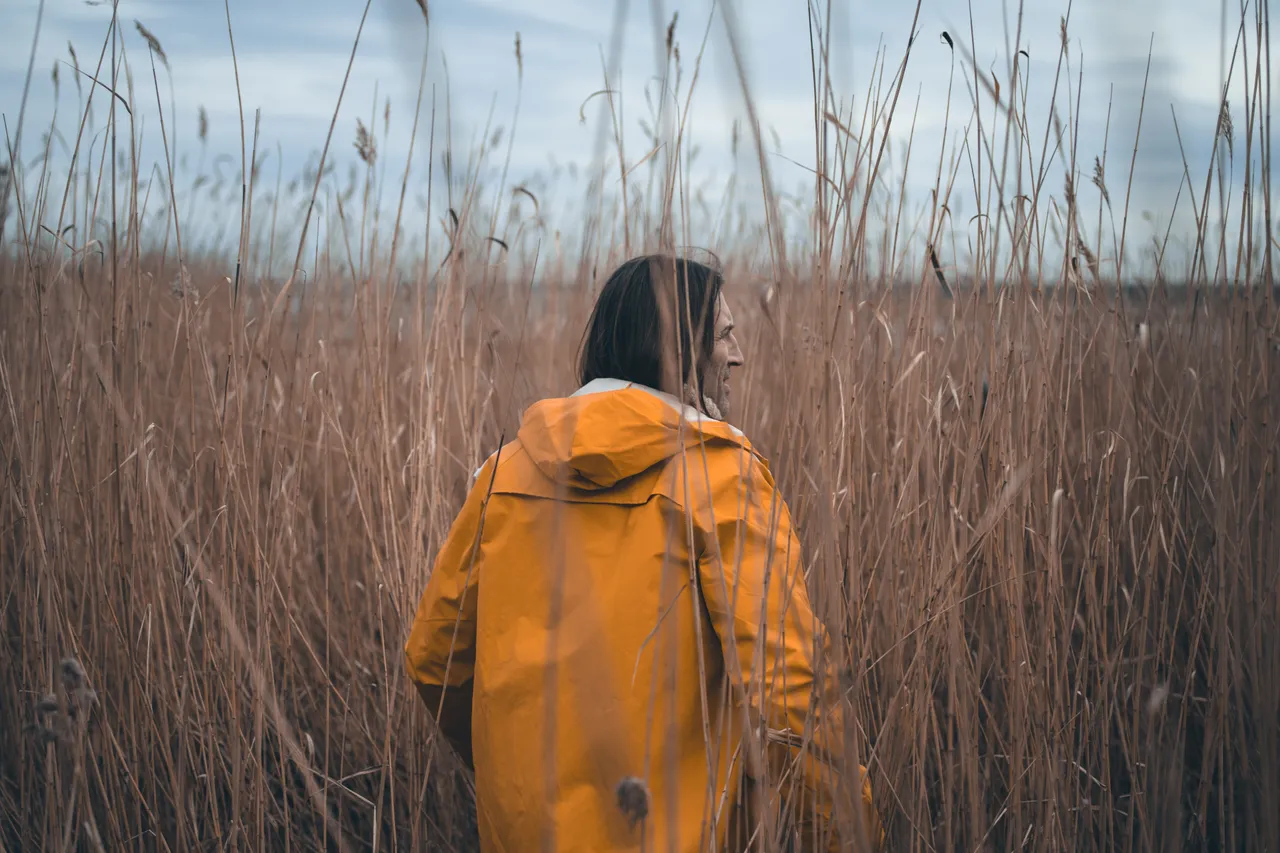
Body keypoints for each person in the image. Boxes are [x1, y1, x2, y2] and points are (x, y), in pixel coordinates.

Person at [404, 253, 880, 852]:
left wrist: (514, 775)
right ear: (679, 351)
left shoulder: (502, 475)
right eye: (726, 335)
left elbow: (433, 660)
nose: (738, 356)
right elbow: (792, 697)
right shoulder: (723, 479)